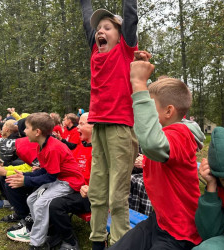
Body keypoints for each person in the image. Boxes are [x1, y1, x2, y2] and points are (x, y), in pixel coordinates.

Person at [109, 51, 205, 250]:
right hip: (160, 221)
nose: (144, 113)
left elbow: (153, 144)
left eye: (150, 107)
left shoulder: (181, 133)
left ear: (169, 111)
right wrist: (137, 75)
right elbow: (141, 115)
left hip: (181, 232)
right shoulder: (166, 132)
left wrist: (139, 83)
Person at [79, 0, 139, 248]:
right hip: (99, 127)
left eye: (108, 28)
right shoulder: (96, 53)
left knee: (117, 196)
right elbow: (86, 22)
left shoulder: (124, 50)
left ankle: (119, 243)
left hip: (121, 127)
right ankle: (96, 242)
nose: (101, 32)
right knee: (97, 192)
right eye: (99, 29)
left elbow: (130, 14)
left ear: (121, 34)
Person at [5, 113, 85, 250]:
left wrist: (26, 181)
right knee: (31, 200)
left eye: (27, 128)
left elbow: (50, 177)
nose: (24, 131)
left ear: (37, 132)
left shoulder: (53, 148)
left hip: (69, 182)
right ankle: (46, 231)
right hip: (58, 178)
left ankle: (36, 243)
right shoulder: (40, 145)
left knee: (40, 204)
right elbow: (45, 170)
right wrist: (26, 175)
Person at [47, 112, 93, 250]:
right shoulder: (80, 146)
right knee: (45, 193)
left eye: (81, 124)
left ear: (94, 127)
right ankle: (54, 231)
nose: (77, 128)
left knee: (56, 204)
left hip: (90, 194)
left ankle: (70, 241)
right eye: (78, 124)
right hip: (74, 186)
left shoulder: (100, 151)